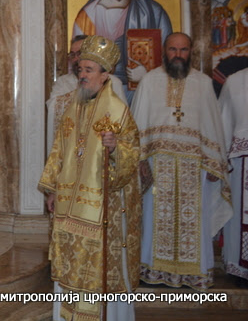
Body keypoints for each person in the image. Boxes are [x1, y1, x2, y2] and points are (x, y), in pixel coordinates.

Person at [39, 35, 141, 321]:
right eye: (80, 69)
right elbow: (59, 150)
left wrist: (114, 148)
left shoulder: (118, 111)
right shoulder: (73, 106)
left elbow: (132, 157)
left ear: (105, 75)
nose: (82, 75)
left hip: (100, 210)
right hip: (69, 206)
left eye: (88, 70)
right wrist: (52, 190)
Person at [132, 32, 231, 289]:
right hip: (157, 166)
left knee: (194, 220)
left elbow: (213, 126)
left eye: (183, 50)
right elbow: (139, 123)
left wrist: (214, 163)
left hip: (194, 168)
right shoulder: (150, 82)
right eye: (173, 49)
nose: (178, 55)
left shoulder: (203, 84)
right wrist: (140, 161)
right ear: (164, 51)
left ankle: (193, 274)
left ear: (191, 53)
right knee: (155, 219)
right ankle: (154, 272)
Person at [73, 0, 172, 102]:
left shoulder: (154, 11)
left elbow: (169, 57)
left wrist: (147, 74)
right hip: (100, 94)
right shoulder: (88, 13)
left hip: (143, 93)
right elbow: (77, 59)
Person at [46, 35, 126, 155]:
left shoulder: (113, 83)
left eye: (80, 53)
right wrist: (84, 93)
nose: (75, 59)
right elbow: (53, 107)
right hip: (71, 149)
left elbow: (123, 121)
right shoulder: (63, 83)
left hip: (99, 149)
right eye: (72, 55)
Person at [219, 66, 248, 282]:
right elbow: (224, 124)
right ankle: (238, 268)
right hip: (240, 165)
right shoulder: (235, 81)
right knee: (239, 216)